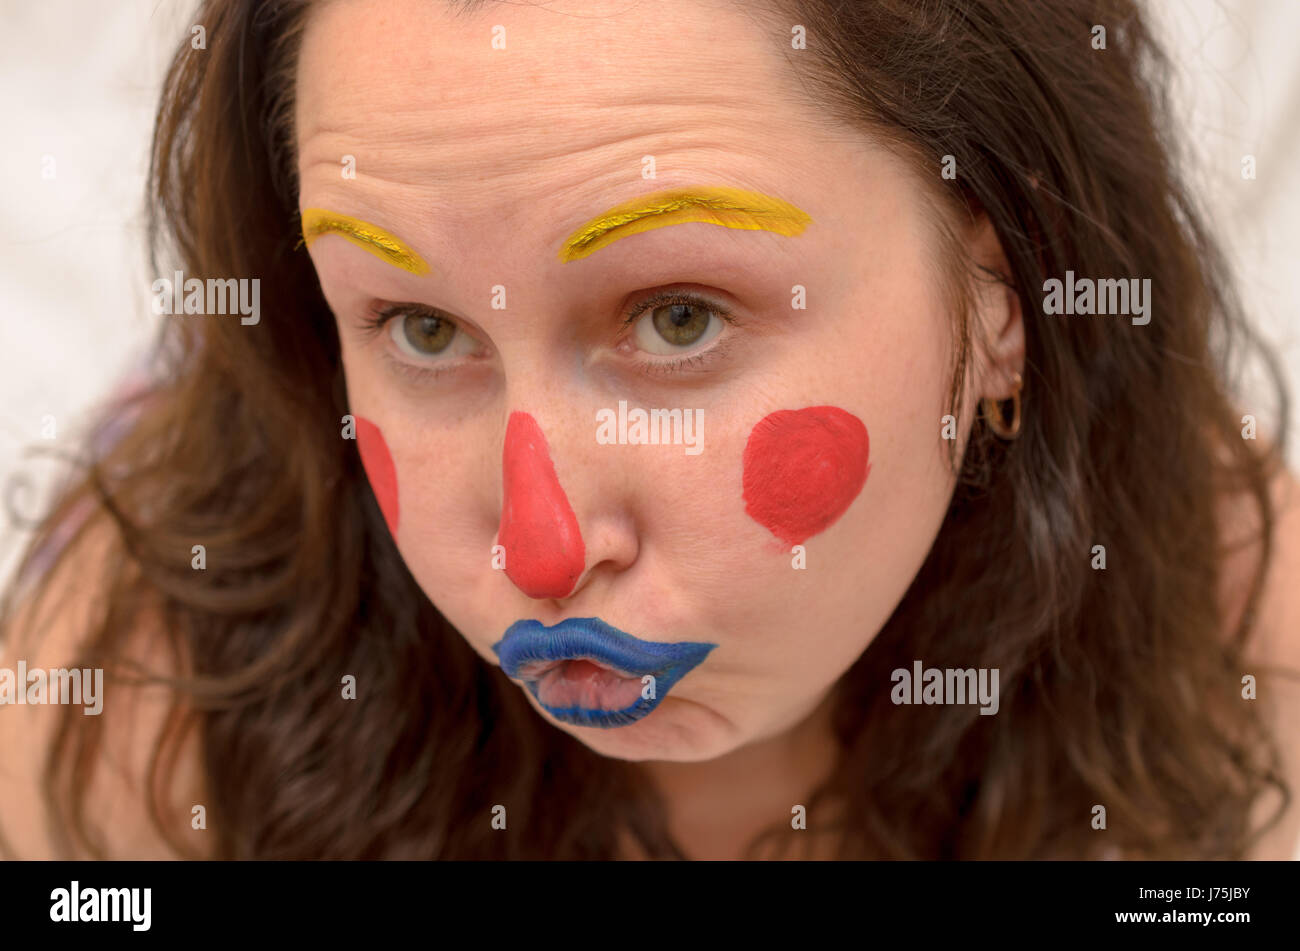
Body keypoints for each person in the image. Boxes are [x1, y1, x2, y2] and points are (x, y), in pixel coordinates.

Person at [1, 0, 1297, 860]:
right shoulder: (132, 706)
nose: (543, 548)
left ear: (1005, 295)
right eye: (420, 327)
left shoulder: (1252, 647)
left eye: (677, 318)